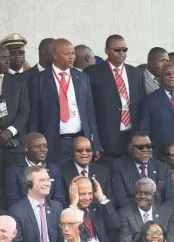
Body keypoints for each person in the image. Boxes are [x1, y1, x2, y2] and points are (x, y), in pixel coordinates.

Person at [29, 38, 100, 164]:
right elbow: (34, 115)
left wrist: (95, 143)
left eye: (73, 53)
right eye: (67, 54)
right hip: (53, 142)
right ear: (55, 55)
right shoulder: (38, 80)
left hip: (80, 140)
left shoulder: (82, 78)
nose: (72, 57)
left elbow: (90, 113)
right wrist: (34, 145)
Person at [84, 34, 146, 170]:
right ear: (106, 51)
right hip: (105, 139)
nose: (122, 53)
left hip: (130, 136)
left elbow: (142, 107)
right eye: (117, 50)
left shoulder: (136, 73)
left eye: (125, 49)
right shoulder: (92, 73)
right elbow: (89, 109)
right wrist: (95, 142)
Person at [112, 133, 174, 210]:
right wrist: (145, 213)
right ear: (130, 149)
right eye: (140, 147)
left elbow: (173, 198)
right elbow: (121, 199)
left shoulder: (162, 167)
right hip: (134, 216)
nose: (145, 150)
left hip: (161, 216)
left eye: (149, 146)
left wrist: (160, 214)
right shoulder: (119, 166)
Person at [0, 46, 30, 208]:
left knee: (13, 188)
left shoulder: (18, 81)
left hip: (14, 144)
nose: (8, 61)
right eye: (3, 58)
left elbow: (25, 111)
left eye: (8, 57)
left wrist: (10, 132)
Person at [5, 133, 65, 208]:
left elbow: (59, 199)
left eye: (45, 146)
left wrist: (45, 212)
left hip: (50, 215)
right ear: (26, 148)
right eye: (37, 146)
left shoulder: (54, 169)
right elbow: (13, 202)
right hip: (24, 216)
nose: (43, 150)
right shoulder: (13, 172)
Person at [8, 165, 63, 242]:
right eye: (42, 180)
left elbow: (63, 238)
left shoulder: (57, 207)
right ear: (29, 184)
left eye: (48, 180)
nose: (47, 184)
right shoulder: (16, 211)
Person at [119, 178, 174, 242]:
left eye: (147, 193)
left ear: (154, 195)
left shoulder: (167, 214)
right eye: (138, 193)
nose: (142, 196)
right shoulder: (124, 213)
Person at [68, 175, 118, 242]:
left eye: (90, 193)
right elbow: (70, 235)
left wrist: (101, 197)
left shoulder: (96, 208)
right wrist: (73, 205)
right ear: (73, 192)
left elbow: (116, 225)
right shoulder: (67, 212)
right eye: (82, 194)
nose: (87, 198)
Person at [60, 137, 112, 203]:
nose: (84, 153)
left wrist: (102, 199)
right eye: (79, 150)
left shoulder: (103, 172)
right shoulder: (62, 172)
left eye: (88, 150)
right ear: (72, 153)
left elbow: (111, 202)